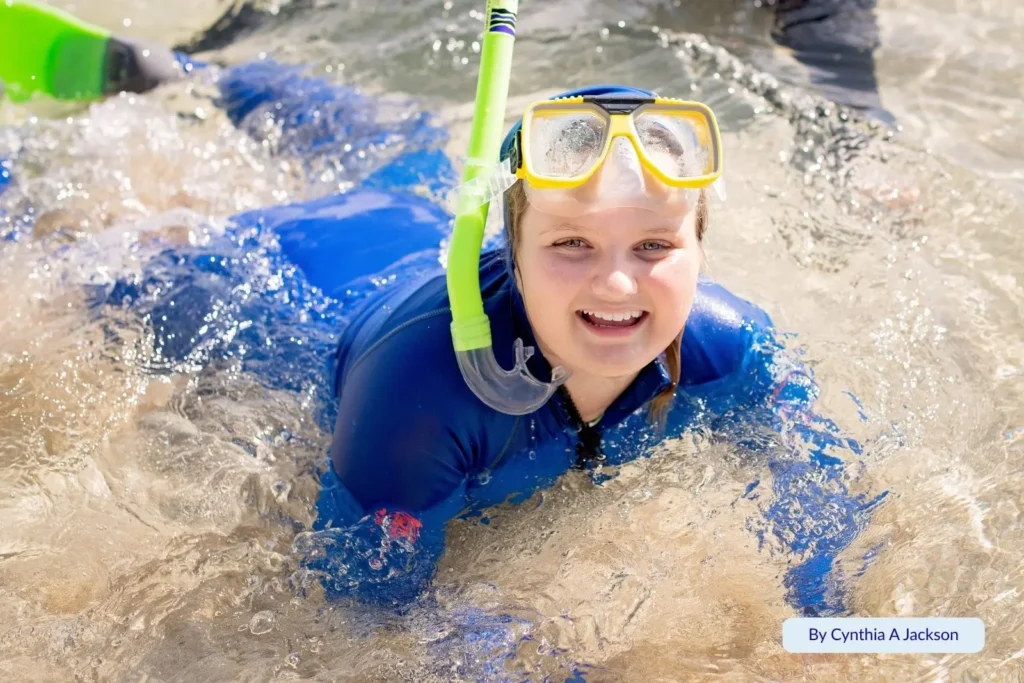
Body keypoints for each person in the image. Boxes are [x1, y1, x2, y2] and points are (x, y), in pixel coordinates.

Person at [271, 80, 885, 613]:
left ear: (700, 252)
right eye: (572, 244)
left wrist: (825, 603)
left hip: (401, 229)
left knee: (388, 152)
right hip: (304, 278)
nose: (617, 285)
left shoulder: (728, 347)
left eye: (654, 246)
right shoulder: (420, 392)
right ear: (513, 255)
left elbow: (819, 476)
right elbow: (367, 607)